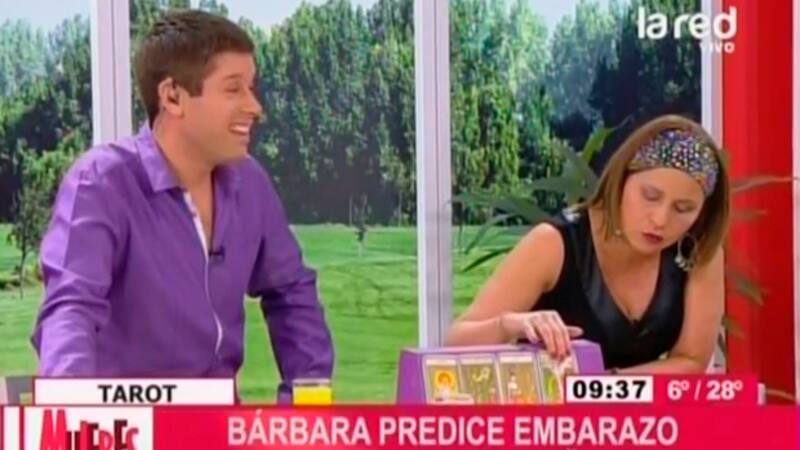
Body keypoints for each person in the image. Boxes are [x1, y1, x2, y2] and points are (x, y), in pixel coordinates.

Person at [31, 10, 334, 402]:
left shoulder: (250, 183)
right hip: (129, 425)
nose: (255, 107)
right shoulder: (101, 182)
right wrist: (69, 418)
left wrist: (305, 414)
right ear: (173, 96)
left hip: (221, 425)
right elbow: (71, 310)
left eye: (251, 88)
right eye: (233, 89)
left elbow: (292, 295)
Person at [446, 115, 730, 374]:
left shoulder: (698, 252)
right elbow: (455, 343)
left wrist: (604, 387)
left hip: (639, 412)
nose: (660, 219)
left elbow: (691, 361)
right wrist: (510, 324)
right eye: (650, 196)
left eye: (683, 209)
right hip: (551, 411)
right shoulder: (554, 243)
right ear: (621, 180)